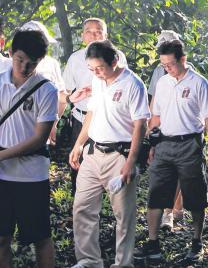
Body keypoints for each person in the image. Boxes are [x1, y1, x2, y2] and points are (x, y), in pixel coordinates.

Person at [135, 39, 208, 263]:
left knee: (195, 194)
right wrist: (151, 144)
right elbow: (156, 116)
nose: (167, 68)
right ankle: (152, 243)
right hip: (163, 144)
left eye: (170, 64)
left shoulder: (199, 83)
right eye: (163, 65)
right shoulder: (162, 83)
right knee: (156, 193)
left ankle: (196, 240)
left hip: (189, 145)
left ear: (183, 59)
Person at [69, 40, 150, 268]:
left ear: (114, 61)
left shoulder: (133, 84)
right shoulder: (98, 80)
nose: (95, 73)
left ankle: (123, 263)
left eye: (100, 68)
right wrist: (78, 144)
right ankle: (89, 260)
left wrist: (131, 162)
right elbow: (91, 113)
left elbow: (140, 125)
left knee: (123, 215)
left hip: (120, 155)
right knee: (82, 208)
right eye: (91, 69)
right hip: (93, 152)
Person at [0, 29, 58, 268]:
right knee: (1, 237)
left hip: (31, 175)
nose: (24, 67)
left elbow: (39, 138)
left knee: (39, 237)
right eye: (19, 59)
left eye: (31, 63)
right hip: (2, 175)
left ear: (40, 61)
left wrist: (2, 155)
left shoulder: (46, 90)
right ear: (10, 52)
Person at [63, 18, 128, 193]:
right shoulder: (75, 58)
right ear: (82, 35)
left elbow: (124, 88)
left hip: (108, 119)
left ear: (105, 35)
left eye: (98, 31)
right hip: (81, 117)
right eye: (89, 31)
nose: (94, 35)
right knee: (78, 163)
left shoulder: (117, 56)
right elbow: (64, 93)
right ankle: (79, 206)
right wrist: (71, 97)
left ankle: (110, 204)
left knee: (112, 165)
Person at [146, 30, 184, 232]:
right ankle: (168, 209)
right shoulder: (158, 71)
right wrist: (151, 126)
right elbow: (153, 99)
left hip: (180, 130)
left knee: (177, 171)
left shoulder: (189, 71)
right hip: (162, 127)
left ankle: (170, 211)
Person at [18, 22, 66, 145]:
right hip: (15, 129)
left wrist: (53, 124)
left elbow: (61, 97)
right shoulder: (9, 63)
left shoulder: (51, 64)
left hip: (41, 126)